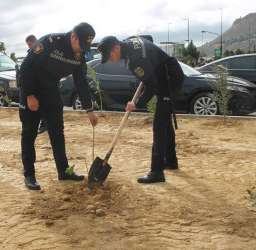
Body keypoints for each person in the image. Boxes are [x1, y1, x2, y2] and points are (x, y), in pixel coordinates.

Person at [19, 22, 99, 190]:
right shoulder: (49, 42)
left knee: (57, 133)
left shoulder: (80, 55)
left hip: (52, 92)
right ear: (72, 36)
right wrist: (30, 96)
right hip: (32, 90)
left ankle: (63, 171)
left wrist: (89, 111)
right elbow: (25, 67)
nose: (81, 49)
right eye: (80, 44)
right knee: (29, 134)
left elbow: (81, 82)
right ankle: (29, 175)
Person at [97, 35, 184, 184]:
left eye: (109, 56)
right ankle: (170, 160)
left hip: (169, 80)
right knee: (164, 122)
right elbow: (148, 37)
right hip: (168, 73)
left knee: (159, 125)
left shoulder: (135, 60)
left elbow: (151, 85)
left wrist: (136, 104)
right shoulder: (130, 40)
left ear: (117, 48)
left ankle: (157, 172)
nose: (109, 60)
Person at [25, 35, 47, 134]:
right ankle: (43, 124)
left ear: (34, 41)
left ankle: (44, 125)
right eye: (28, 45)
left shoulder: (43, 51)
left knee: (44, 106)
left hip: (43, 83)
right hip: (35, 83)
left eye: (30, 44)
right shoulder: (30, 53)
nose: (29, 46)